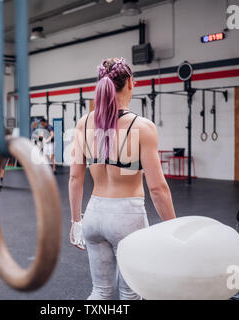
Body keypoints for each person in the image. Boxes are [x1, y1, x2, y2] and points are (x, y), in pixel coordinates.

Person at [68, 57, 176, 300]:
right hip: (128, 218)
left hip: (93, 215)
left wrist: (76, 222)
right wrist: (174, 227)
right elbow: (157, 188)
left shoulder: (83, 124)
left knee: (101, 292)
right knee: (131, 295)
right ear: (130, 83)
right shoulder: (142, 127)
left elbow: (75, 178)